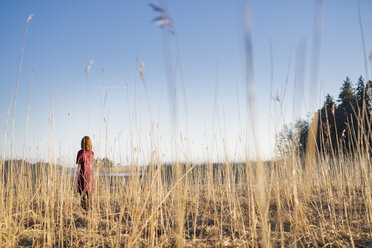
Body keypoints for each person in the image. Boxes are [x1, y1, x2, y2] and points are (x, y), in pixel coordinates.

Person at [76, 136, 94, 210]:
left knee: (82, 194)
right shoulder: (91, 153)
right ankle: (90, 211)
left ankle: (84, 210)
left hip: (82, 173)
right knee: (89, 194)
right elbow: (91, 166)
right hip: (90, 174)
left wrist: (77, 177)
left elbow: (79, 166)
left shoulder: (80, 152)